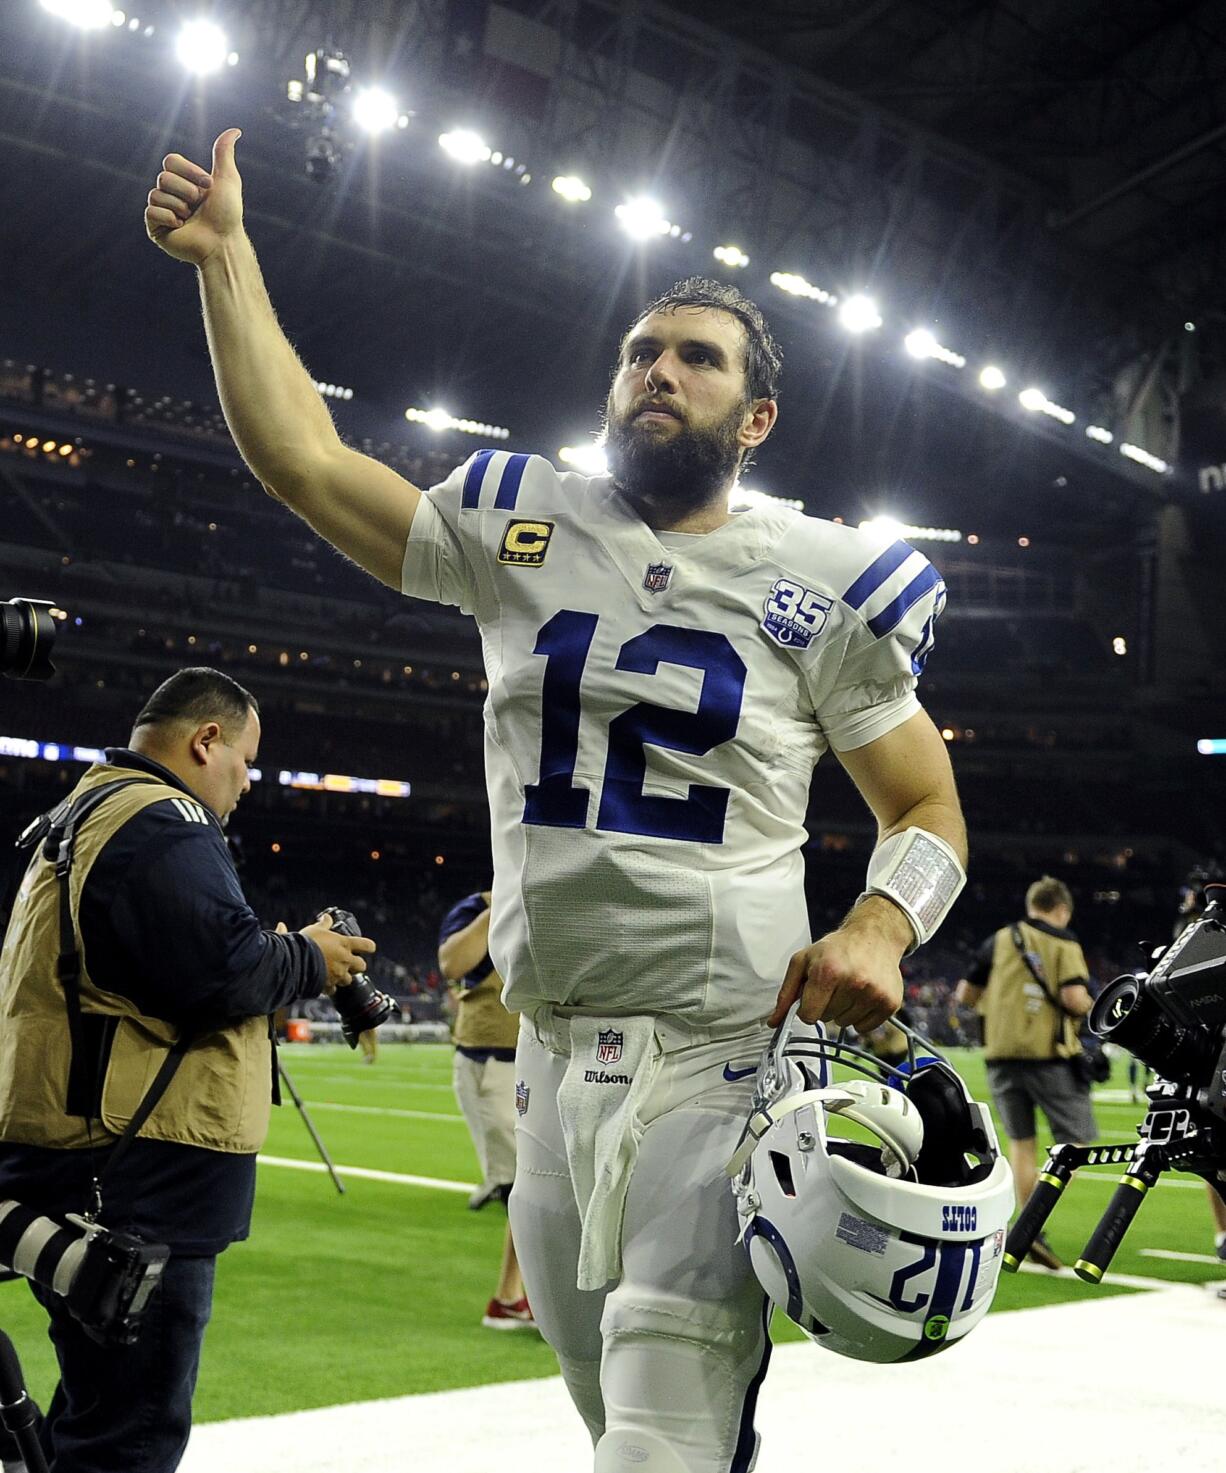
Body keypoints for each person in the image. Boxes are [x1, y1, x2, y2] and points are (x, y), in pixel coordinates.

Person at [145, 134, 968, 1472]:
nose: (661, 369)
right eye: (643, 349)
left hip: (719, 1057)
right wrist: (226, 259)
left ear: (755, 418)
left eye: (699, 357)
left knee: (656, 1434)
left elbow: (924, 803)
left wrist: (879, 927)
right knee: (614, 1419)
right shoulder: (522, 519)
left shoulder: (819, 575)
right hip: (548, 1059)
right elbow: (305, 460)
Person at [0, 668, 376, 1473]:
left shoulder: (84, 809)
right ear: (205, 740)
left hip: (85, 1159)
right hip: (136, 1180)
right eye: (245, 758)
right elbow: (222, 967)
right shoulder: (162, 816)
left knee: (92, 1419)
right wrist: (308, 955)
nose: (247, 780)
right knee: (128, 1441)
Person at [956, 875, 1095, 1271]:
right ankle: (1034, 1223)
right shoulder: (1064, 942)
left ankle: (1028, 1224)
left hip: (1000, 1056)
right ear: (1062, 909)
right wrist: (1092, 1008)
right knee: (1076, 1145)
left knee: (1022, 1145)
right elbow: (1072, 997)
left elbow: (965, 994)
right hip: (1048, 1057)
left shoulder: (998, 940)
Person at [438, 888, 534, 1330]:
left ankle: (511, 1298)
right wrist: (499, 907)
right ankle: (522, 1298)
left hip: (536, 1059)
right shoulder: (475, 906)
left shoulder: (547, 896)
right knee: (524, 1187)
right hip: (489, 1061)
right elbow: (451, 964)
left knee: (533, 1185)